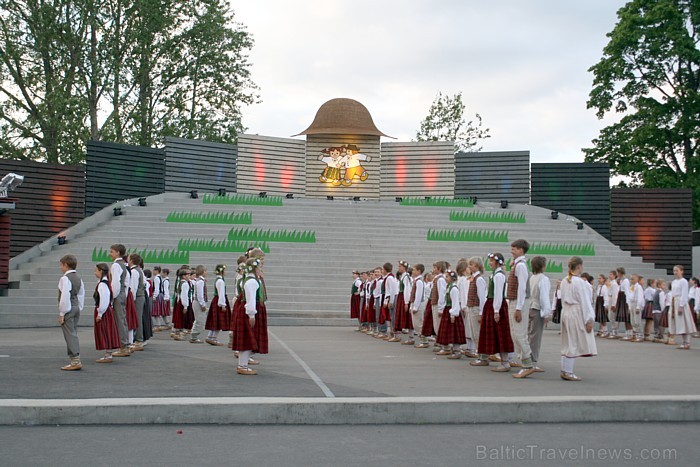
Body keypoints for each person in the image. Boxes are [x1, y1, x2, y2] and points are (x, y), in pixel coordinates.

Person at [470, 253, 513, 371]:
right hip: (491, 304)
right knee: (491, 333)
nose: (489, 263)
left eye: (492, 261)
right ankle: (485, 358)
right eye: (489, 261)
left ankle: (505, 362)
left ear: (498, 262)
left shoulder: (499, 276)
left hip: (496, 305)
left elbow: (499, 294)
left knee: (500, 333)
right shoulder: (493, 275)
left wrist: (496, 310)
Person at [559, 256, 597, 381]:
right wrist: (589, 319)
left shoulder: (565, 280)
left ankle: (565, 369)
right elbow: (585, 301)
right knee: (573, 341)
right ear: (579, 266)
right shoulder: (579, 282)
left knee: (567, 341)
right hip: (575, 312)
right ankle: (568, 372)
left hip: (565, 311)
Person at [231, 258, 269, 375]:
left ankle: (243, 364)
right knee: (248, 338)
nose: (260, 270)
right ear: (254, 268)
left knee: (249, 338)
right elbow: (251, 299)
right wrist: (252, 315)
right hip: (249, 311)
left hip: (248, 310)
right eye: (259, 267)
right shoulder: (251, 282)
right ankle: (242, 365)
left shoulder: (248, 279)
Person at [506, 239, 536, 378]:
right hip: (514, 300)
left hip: (520, 302)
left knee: (519, 333)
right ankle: (525, 360)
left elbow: (522, 287)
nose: (512, 249)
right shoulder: (516, 264)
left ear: (521, 250)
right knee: (514, 333)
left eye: (515, 248)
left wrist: (518, 308)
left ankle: (528, 364)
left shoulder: (521, 266)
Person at [57, 254, 85, 370]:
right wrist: (79, 307)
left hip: (68, 307)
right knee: (73, 332)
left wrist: (62, 313)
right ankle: (75, 359)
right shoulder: (78, 278)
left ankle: (75, 359)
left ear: (66, 265)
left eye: (61, 265)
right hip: (76, 307)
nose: (60, 267)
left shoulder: (65, 278)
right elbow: (81, 294)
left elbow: (65, 296)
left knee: (69, 334)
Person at [527, 256, 551, 373]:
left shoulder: (531, 278)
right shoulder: (543, 279)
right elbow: (544, 297)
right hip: (537, 309)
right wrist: (546, 313)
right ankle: (533, 361)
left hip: (529, 307)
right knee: (535, 337)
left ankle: (526, 358)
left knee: (529, 335)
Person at [436, 269, 466, 359]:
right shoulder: (449, 287)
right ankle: (448, 348)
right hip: (448, 310)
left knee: (454, 332)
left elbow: (455, 302)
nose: (446, 278)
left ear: (453, 278)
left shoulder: (454, 288)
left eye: (447, 276)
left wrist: (453, 314)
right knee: (447, 331)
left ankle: (457, 351)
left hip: (452, 311)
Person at [93, 263, 120, 363]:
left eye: (96, 270)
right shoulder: (106, 283)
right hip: (106, 310)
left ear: (100, 271)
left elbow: (104, 300)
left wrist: (100, 313)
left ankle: (108, 355)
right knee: (106, 331)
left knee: (105, 331)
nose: (95, 272)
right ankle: (108, 353)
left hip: (104, 311)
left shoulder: (102, 285)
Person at [109, 245, 131, 357]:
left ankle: (123, 346)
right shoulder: (123, 265)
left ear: (117, 252)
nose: (110, 254)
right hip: (122, 293)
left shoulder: (116, 266)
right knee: (122, 319)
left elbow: (115, 283)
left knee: (119, 320)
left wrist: (112, 297)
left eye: (111, 251)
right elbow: (127, 282)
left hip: (118, 294)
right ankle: (124, 344)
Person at [668, 265, 697, 349]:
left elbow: (684, 294)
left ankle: (687, 342)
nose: (675, 272)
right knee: (679, 323)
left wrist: (681, 306)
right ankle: (684, 341)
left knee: (683, 322)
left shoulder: (683, 281)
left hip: (681, 303)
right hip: (674, 302)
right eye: (674, 271)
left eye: (677, 270)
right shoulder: (674, 282)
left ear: (681, 271)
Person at [465, 257, 487, 359]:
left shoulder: (479, 279)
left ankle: (483, 356)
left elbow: (482, 298)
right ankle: (480, 354)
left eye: (471, 264)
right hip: (471, 307)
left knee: (477, 333)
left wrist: (481, 313)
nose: (469, 267)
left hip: (476, 308)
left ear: (477, 266)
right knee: (474, 333)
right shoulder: (473, 278)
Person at [206, 264, 230, 346]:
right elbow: (221, 293)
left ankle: (210, 336)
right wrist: (223, 304)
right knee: (218, 321)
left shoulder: (218, 280)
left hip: (217, 300)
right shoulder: (220, 281)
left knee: (216, 320)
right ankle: (213, 338)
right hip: (219, 301)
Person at [128, 254, 147, 351]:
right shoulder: (140, 270)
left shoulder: (134, 271)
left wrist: (132, 299)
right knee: (138, 317)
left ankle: (139, 340)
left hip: (137, 297)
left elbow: (133, 287)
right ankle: (138, 339)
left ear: (131, 260)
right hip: (141, 296)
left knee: (137, 318)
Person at [394, 261, 413, 343]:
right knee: (401, 317)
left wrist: (406, 302)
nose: (399, 268)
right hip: (401, 297)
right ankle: (398, 335)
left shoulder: (406, 277)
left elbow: (407, 290)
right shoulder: (403, 277)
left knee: (407, 318)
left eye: (400, 266)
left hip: (404, 298)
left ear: (404, 268)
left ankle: (411, 337)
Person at [190, 265, 209, 344]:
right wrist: (202, 304)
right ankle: (194, 336)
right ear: (202, 272)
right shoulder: (200, 282)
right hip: (198, 302)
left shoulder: (200, 281)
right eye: (205, 271)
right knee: (200, 319)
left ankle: (194, 334)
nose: (206, 272)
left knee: (199, 319)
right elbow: (200, 295)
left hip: (197, 302)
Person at [408, 263, 426, 347]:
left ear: (419, 271)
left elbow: (418, 295)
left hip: (418, 304)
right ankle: (422, 340)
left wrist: (415, 307)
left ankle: (424, 341)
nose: (413, 271)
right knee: (415, 324)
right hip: (414, 303)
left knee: (418, 323)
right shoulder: (416, 280)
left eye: (414, 270)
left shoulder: (419, 281)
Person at [614, 267, 632, 341]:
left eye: (618, 273)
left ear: (621, 273)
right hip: (621, 299)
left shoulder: (626, 281)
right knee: (624, 318)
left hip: (624, 300)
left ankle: (630, 333)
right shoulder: (621, 281)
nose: (617, 274)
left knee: (627, 318)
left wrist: (628, 303)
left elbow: (627, 292)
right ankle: (627, 333)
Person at [605, 271, 619, 338]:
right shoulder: (610, 283)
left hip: (612, 299)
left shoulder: (614, 284)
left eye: (611, 275)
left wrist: (614, 304)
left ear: (614, 276)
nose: (610, 276)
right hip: (609, 298)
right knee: (610, 316)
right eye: (609, 274)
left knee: (613, 316)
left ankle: (615, 331)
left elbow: (615, 294)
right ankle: (613, 330)